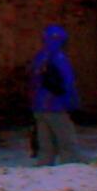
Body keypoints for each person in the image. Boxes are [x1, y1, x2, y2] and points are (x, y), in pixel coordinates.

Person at [25, 21, 82, 164]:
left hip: (39, 105)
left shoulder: (39, 57)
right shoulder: (59, 58)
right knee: (66, 139)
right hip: (56, 104)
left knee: (45, 142)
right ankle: (71, 164)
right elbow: (67, 81)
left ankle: (45, 164)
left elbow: (32, 81)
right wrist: (72, 101)